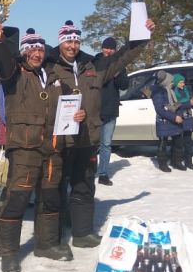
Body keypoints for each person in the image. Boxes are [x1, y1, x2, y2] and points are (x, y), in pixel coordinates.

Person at [46, 19, 153, 248]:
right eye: (68, 41)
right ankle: (53, 237)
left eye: (76, 41)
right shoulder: (49, 66)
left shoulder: (93, 66)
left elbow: (122, 58)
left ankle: (82, 233)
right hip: (59, 140)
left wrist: (141, 37)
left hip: (87, 138)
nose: (72, 46)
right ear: (60, 42)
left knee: (84, 186)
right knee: (55, 188)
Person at [0, 22, 82, 272]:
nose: (36, 54)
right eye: (31, 49)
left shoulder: (54, 76)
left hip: (53, 148)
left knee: (50, 199)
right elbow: (0, 60)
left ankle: (46, 244)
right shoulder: (13, 73)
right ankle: (8, 251)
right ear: (23, 52)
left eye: (39, 49)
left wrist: (77, 114)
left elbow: (70, 103)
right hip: (24, 149)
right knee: (17, 199)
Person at [94, 37, 129, 186]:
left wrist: (118, 74)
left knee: (106, 144)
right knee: (90, 144)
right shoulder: (95, 62)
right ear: (102, 48)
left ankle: (103, 173)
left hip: (110, 110)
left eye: (111, 48)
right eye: (106, 48)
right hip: (94, 110)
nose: (108, 51)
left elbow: (124, 85)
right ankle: (88, 171)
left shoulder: (119, 65)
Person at [151, 71, 184, 172]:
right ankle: (162, 164)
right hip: (164, 121)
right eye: (171, 81)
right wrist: (174, 117)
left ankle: (176, 161)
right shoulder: (158, 93)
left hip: (174, 119)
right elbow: (160, 110)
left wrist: (179, 114)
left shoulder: (171, 91)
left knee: (178, 142)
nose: (173, 83)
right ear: (166, 82)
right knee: (163, 143)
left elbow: (178, 104)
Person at [172, 73, 193, 169]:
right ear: (176, 83)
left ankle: (189, 161)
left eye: (183, 82)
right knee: (178, 142)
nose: (183, 84)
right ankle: (177, 161)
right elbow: (175, 105)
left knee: (188, 142)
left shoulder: (187, 90)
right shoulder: (173, 92)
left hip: (188, 118)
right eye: (181, 82)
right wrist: (188, 103)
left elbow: (192, 102)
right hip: (178, 119)